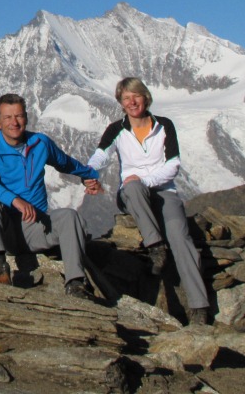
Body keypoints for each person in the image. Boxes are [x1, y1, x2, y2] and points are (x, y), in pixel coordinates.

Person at [87, 77, 209, 325]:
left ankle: (199, 306)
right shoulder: (116, 129)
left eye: (136, 96)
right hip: (132, 195)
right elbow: (100, 156)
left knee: (180, 235)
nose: (132, 102)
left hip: (164, 192)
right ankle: (155, 247)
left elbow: (173, 164)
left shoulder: (164, 126)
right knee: (131, 186)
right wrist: (88, 175)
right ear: (121, 103)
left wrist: (147, 181)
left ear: (146, 97)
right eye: (126, 98)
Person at [0, 93, 102, 298]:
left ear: (26, 118)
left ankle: (75, 284)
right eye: (7, 117)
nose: (14, 122)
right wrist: (14, 200)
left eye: (19, 116)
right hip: (7, 231)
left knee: (69, 216)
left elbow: (66, 163)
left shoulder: (40, 143)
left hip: (36, 227)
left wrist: (88, 176)